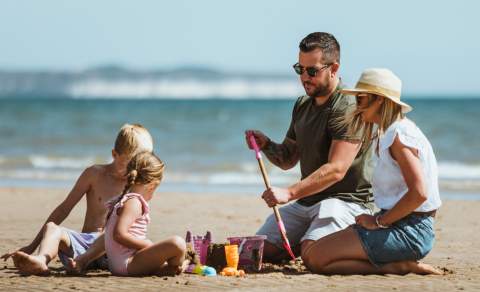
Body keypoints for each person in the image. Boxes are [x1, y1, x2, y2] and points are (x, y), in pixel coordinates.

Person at [245, 32, 374, 264]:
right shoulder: (302, 105)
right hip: (308, 201)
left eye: (312, 71)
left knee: (312, 252)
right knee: (255, 252)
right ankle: (297, 245)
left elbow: (336, 169)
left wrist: (289, 193)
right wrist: (266, 145)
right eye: (300, 69)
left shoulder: (348, 106)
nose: (305, 77)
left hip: (345, 202)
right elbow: (287, 159)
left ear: (333, 68)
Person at [302, 68, 442, 275]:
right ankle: (393, 265)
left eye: (360, 99)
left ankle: (399, 267)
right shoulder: (391, 132)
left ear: (379, 100)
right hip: (399, 223)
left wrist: (378, 222)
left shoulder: (399, 135)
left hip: (410, 231)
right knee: (313, 255)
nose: (356, 105)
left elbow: (420, 193)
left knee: (315, 258)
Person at [2, 124, 154, 275]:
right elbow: (64, 208)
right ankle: (41, 260)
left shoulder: (138, 185)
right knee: (52, 228)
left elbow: (135, 227)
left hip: (114, 251)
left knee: (110, 233)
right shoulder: (94, 174)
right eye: (130, 163)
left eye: (140, 164)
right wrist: (30, 247)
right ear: (114, 154)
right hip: (83, 247)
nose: (134, 169)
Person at [103, 151, 186, 276]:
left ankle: (167, 268)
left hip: (121, 263)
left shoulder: (125, 199)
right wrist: (146, 244)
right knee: (178, 243)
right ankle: (173, 267)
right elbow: (119, 235)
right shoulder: (134, 203)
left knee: (171, 245)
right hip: (127, 264)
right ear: (152, 186)